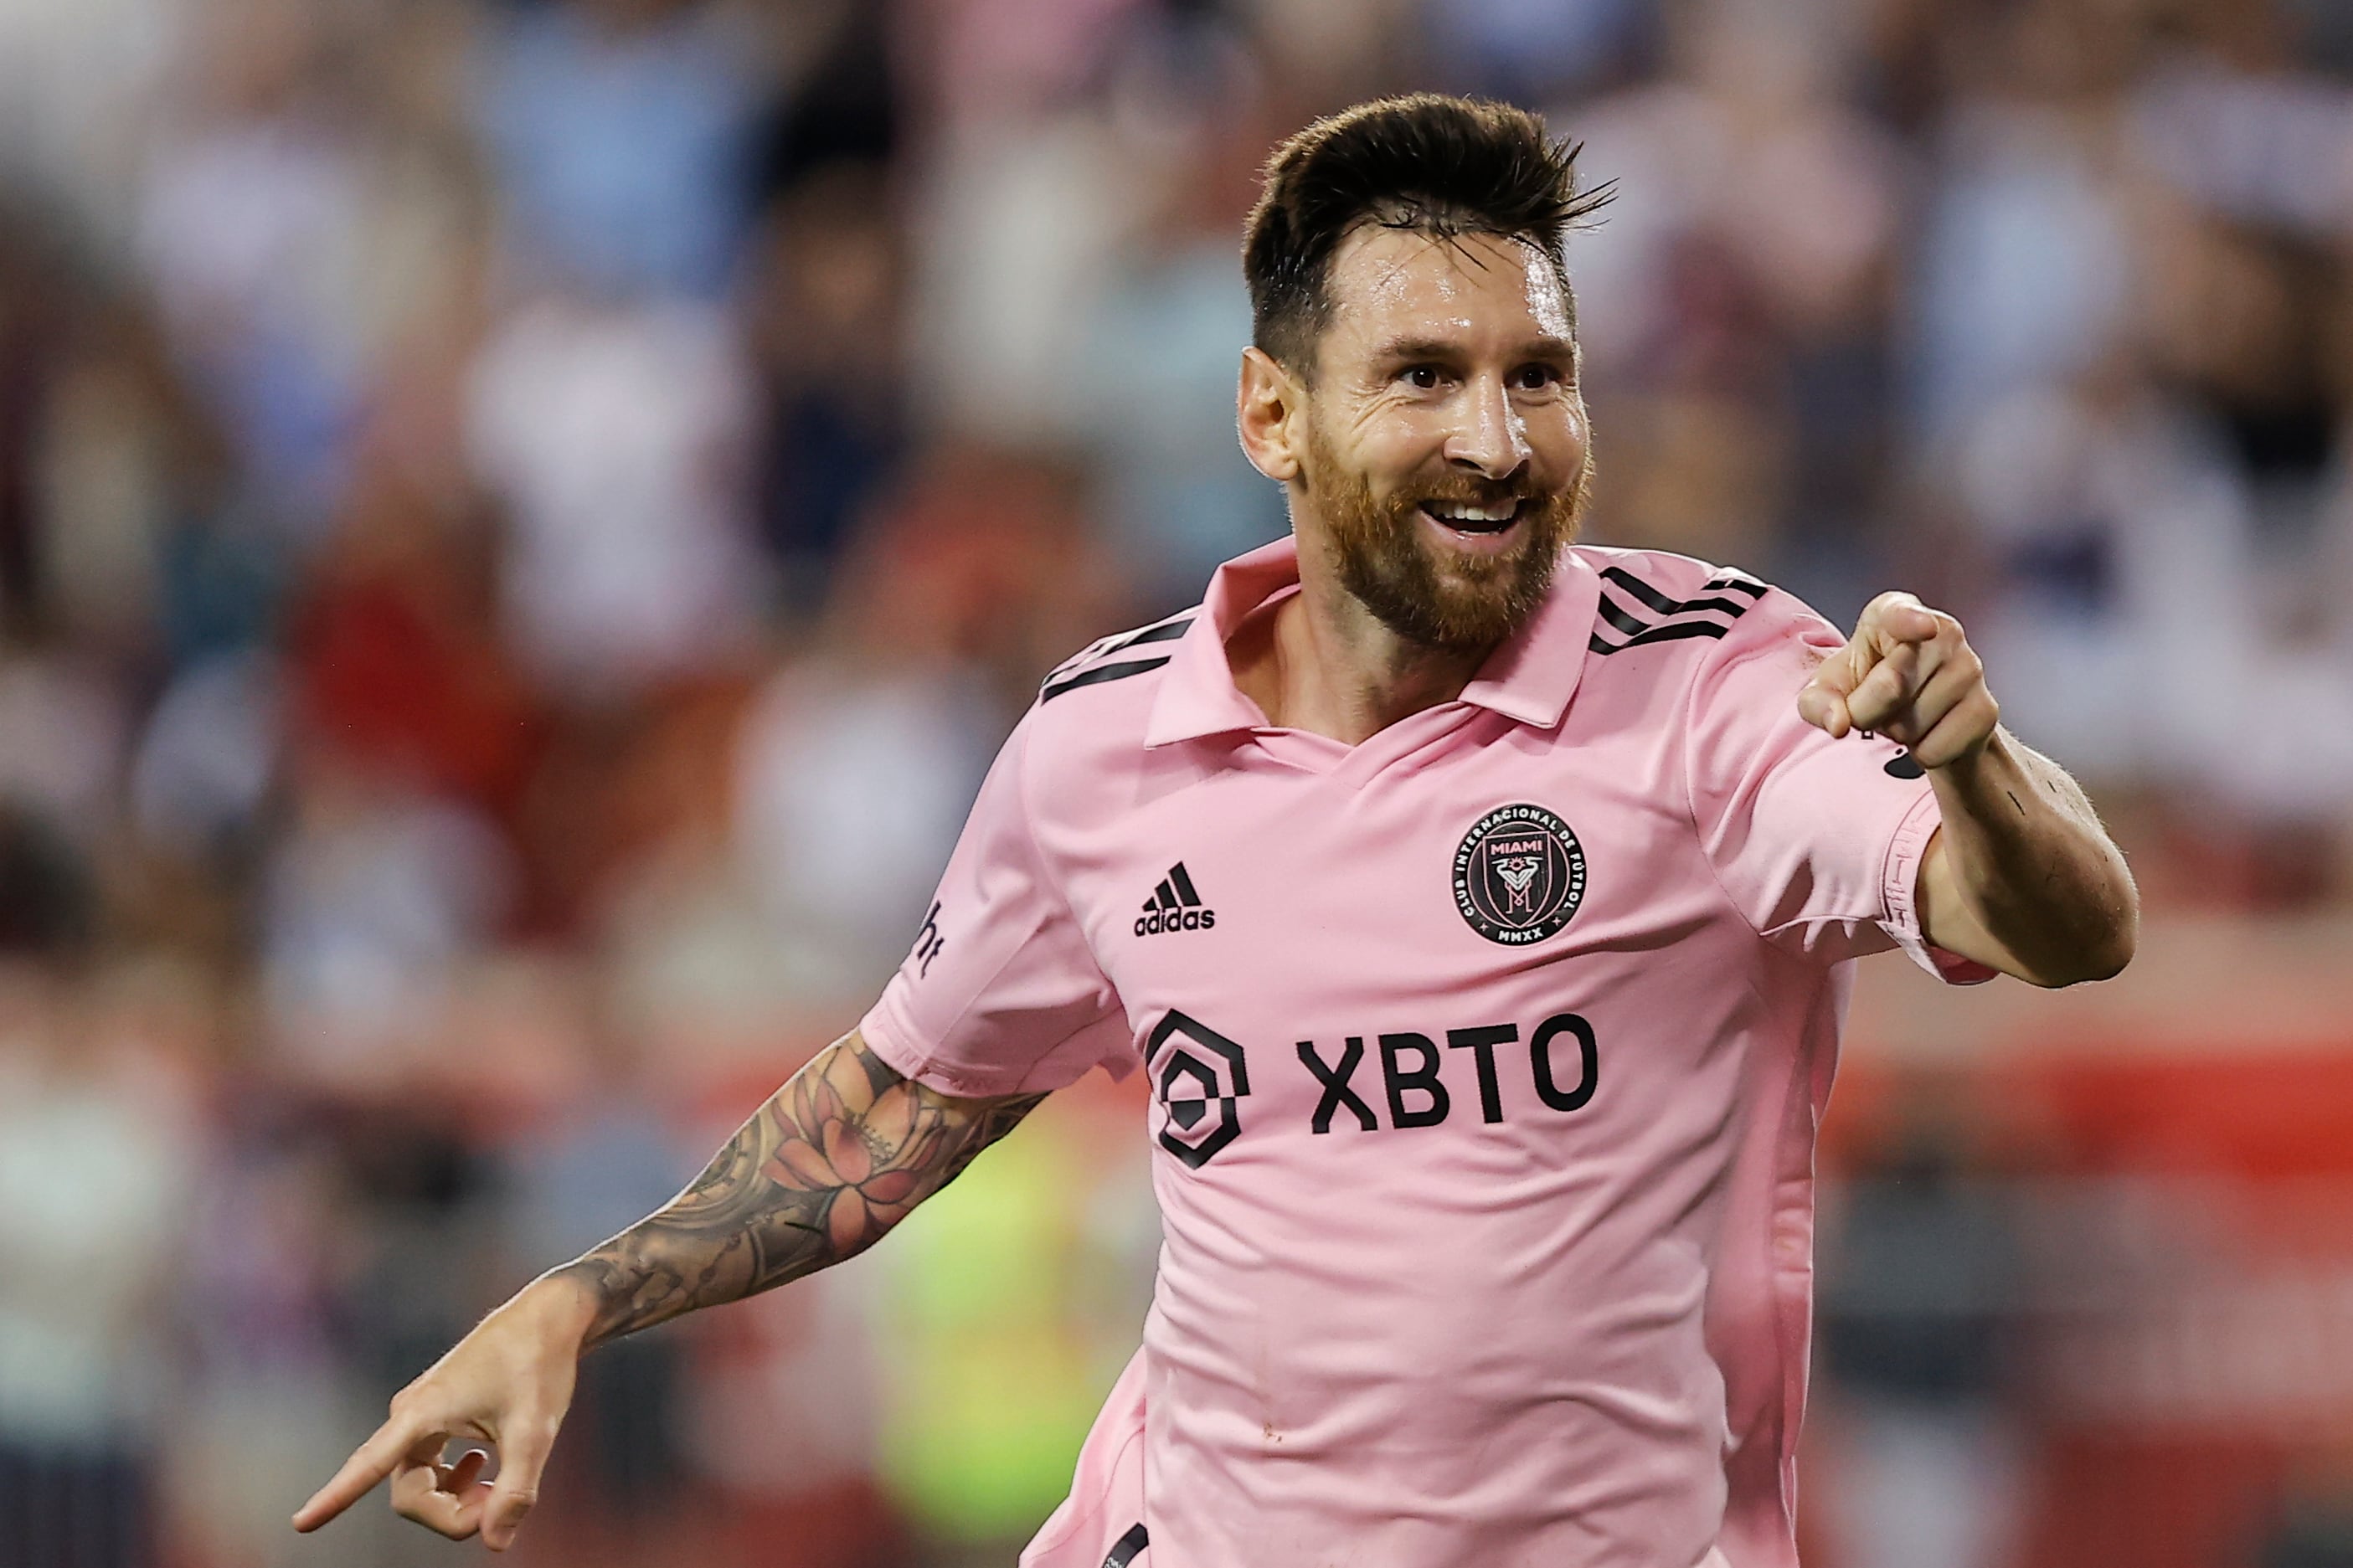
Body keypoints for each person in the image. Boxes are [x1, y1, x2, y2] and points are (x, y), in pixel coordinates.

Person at [293, 95, 2138, 1567]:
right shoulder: (1104, 742)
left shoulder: (1715, 678)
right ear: (1271, 408)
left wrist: (1976, 759)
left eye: (1538, 374)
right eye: (1422, 375)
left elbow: (2055, 919)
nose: (1497, 435)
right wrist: (573, 1299)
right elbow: (891, 1110)